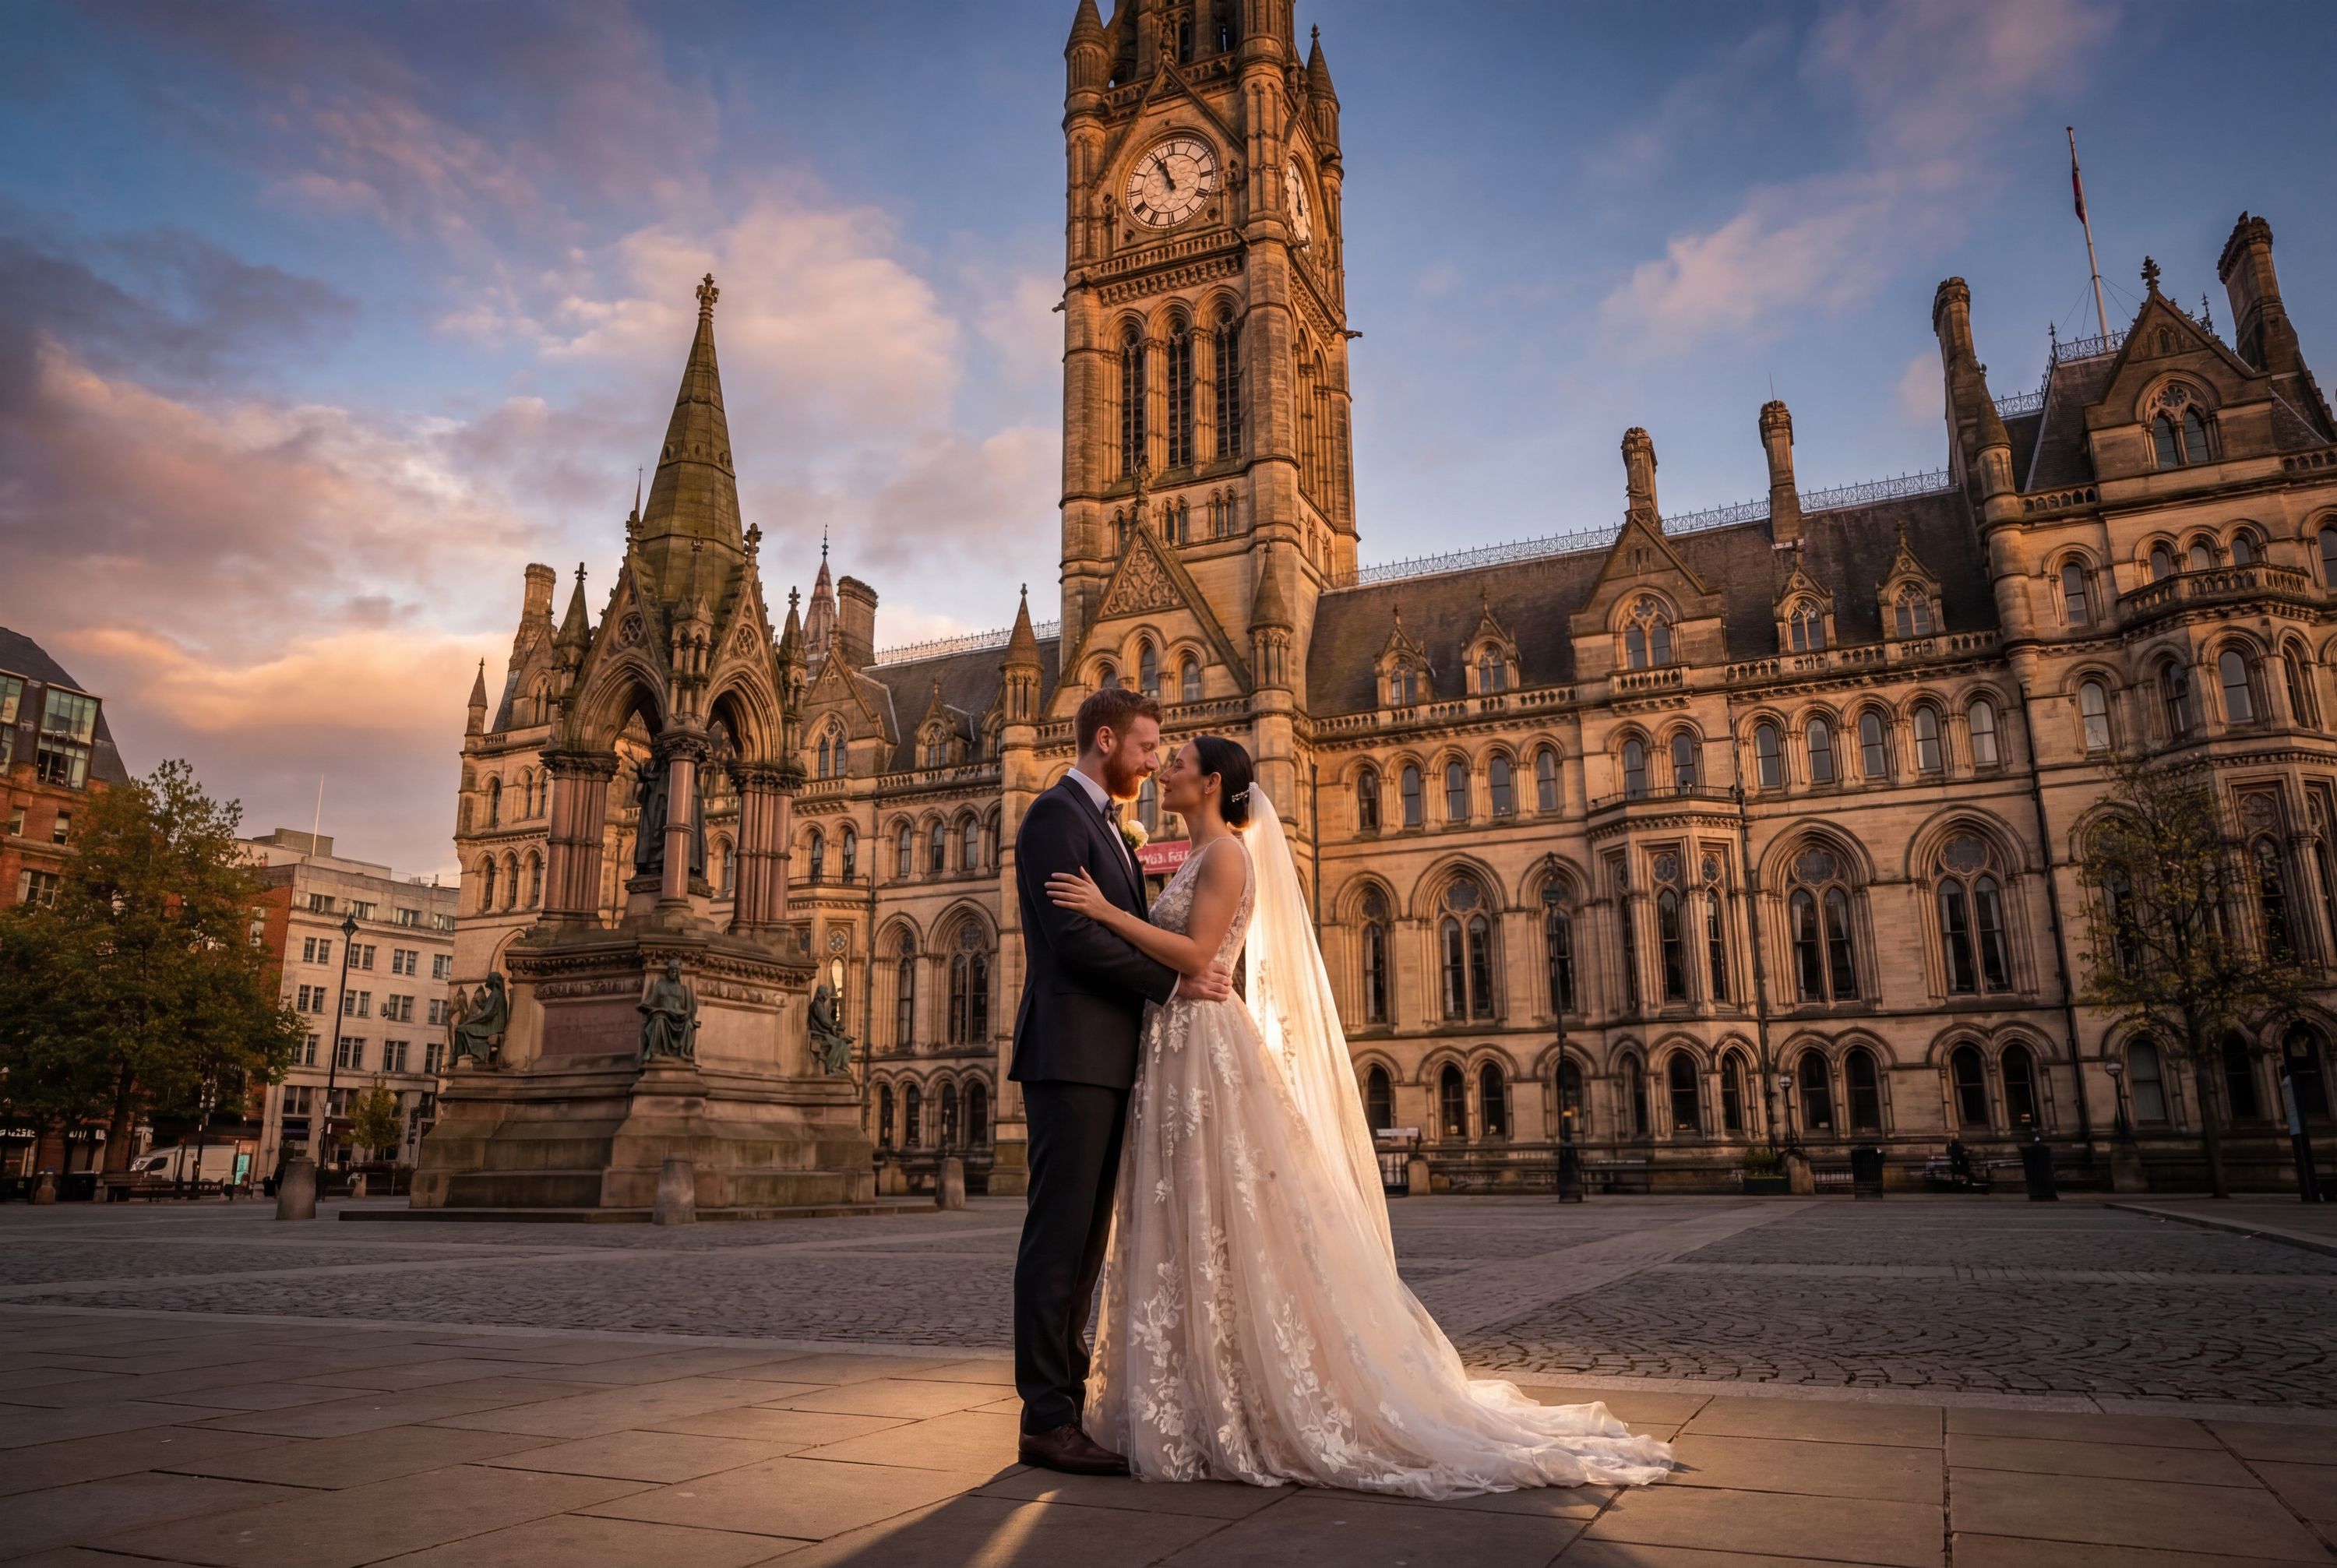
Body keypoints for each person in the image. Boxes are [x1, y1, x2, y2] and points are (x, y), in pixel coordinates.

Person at [1045, 735, 1673, 1496]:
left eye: (1176, 762)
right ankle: (1199, 1389)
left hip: (1203, 1044)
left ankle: (1239, 1394)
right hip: (1177, 1044)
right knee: (1192, 1216)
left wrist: (1106, 912)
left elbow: (1200, 955)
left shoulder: (1228, 855)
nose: (1162, 769)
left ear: (1211, 783)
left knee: (1220, 1210)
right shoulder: (1198, 855)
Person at [1010, 687, 1233, 1478]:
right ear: (1105, 740)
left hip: (1107, 1060)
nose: (1153, 761)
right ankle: (1045, 1417)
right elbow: (1072, 936)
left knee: (1083, 1247)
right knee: (1058, 1240)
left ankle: (1063, 1408)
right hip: (1070, 1054)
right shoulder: (1055, 816)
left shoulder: (1106, 824)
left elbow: (1117, 927)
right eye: (1145, 747)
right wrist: (1173, 984)